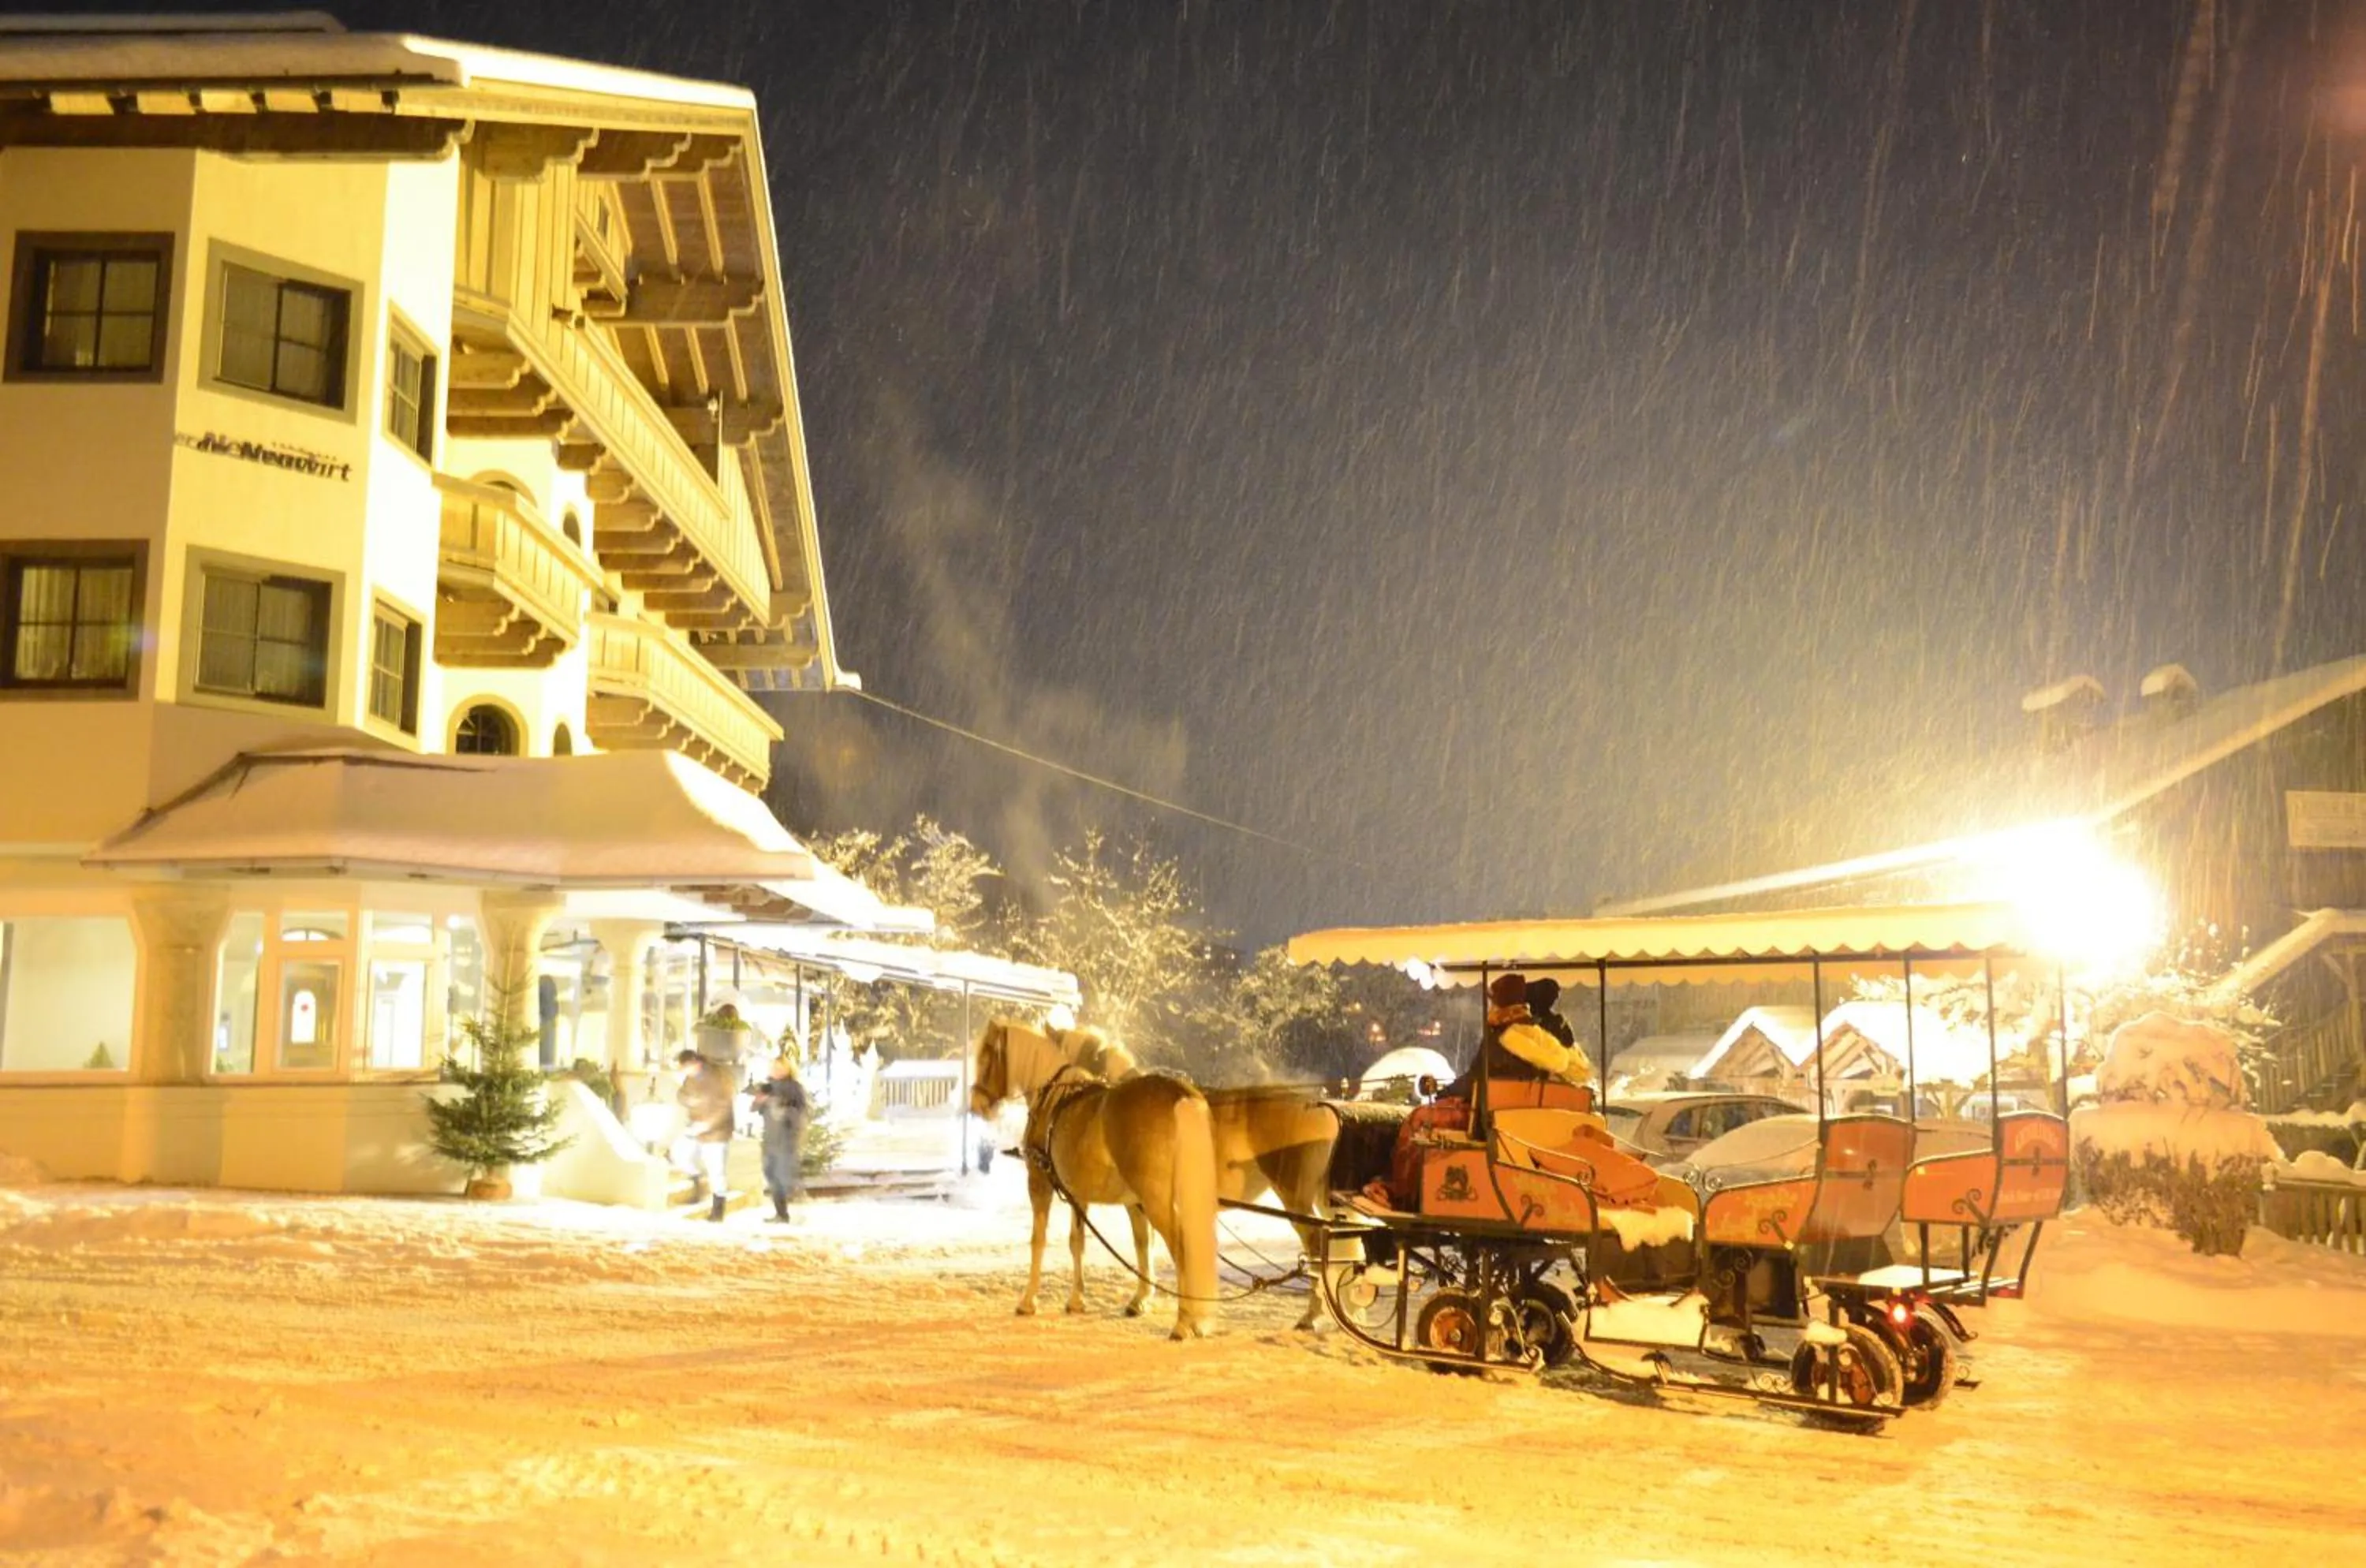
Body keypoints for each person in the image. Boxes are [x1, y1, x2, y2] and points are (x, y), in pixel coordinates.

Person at [675, 1048, 736, 1222]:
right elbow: (681, 1094)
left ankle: (718, 1210)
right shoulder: (691, 1079)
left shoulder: (717, 1077)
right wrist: (688, 1100)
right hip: (697, 1128)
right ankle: (697, 1185)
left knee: (716, 1170)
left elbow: (724, 1106)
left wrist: (707, 1124)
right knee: (682, 1155)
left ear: (695, 1063)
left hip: (716, 1132)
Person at [748, 1056, 809, 1222]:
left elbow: (802, 1111)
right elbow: (754, 1108)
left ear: (788, 1069)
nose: (777, 1071)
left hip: (786, 1138)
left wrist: (785, 1110)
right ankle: (781, 1212)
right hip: (769, 1138)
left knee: (782, 1176)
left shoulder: (794, 1088)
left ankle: (785, 1212)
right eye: (774, 1067)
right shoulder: (766, 1087)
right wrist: (760, 1101)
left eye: (780, 1067)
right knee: (771, 1175)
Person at [1527, 976, 1579, 1050]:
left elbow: (1569, 1043)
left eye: (1554, 997)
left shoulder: (1558, 1021)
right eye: (1552, 997)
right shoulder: (1525, 1018)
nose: (1554, 1001)